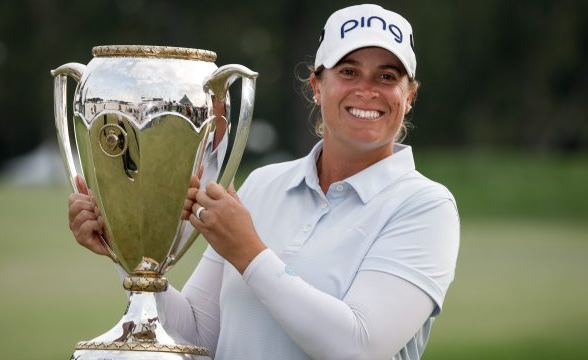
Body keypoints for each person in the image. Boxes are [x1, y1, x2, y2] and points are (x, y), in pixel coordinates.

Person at [68, 4, 459, 359]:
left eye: (387, 76)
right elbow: (198, 336)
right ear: (317, 87)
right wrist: (128, 252)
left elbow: (359, 347)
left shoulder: (425, 206)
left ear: (408, 97)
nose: (367, 90)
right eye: (348, 71)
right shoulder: (263, 184)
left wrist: (248, 251)